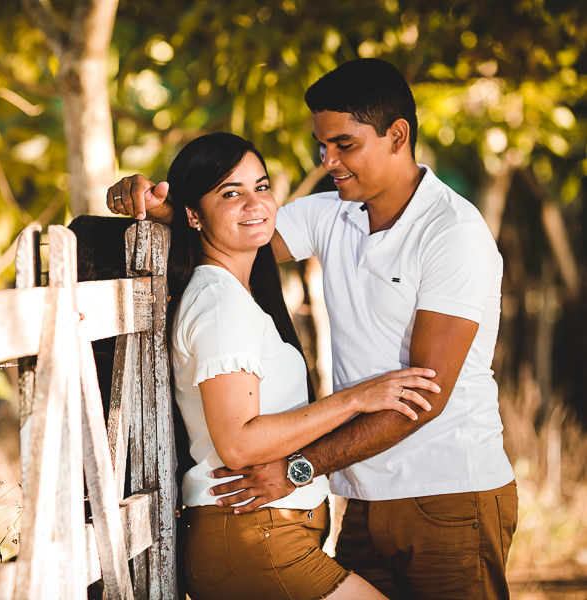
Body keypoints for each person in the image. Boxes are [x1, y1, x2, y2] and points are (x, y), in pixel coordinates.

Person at [107, 58, 517, 600]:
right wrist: (151, 203)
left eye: (344, 145)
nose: (329, 162)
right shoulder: (334, 214)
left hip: (448, 492)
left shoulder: (452, 233)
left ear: (398, 136)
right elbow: (238, 236)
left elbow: (427, 395)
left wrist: (300, 468)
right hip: (363, 494)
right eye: (323, 147)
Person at [150, 130, 439, 600]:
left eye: (261, 187)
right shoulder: (219, 302)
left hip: (264, 534)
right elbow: (240, 443)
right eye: (230, 192)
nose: (255, 203)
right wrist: (355, 398)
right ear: (192, 214)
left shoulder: (235, 293)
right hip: (254, 537)